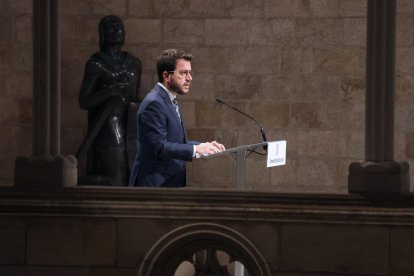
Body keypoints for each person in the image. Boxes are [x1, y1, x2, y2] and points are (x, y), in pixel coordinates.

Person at [129, 49, 225, 187]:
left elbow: (174, 141)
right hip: (154, 185)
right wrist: (195, 150)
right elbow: (159, 147)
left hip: (169, 182)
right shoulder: (154, 103)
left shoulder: (168, 99)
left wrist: (202, 145)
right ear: (166, 76)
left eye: (189, 72)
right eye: (183, 73)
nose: (189, 78)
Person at [77, 15, 142, 186]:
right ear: (103, 34)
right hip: (107, 126)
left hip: (130, 126)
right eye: (110, 26)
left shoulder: (134, 64)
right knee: (117, 178)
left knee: (131, 177)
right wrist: (110, 91)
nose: (116, 29)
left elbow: (134, 100)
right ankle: (82, 182)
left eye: (119, 25)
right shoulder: (96, 64)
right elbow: (84, 101)